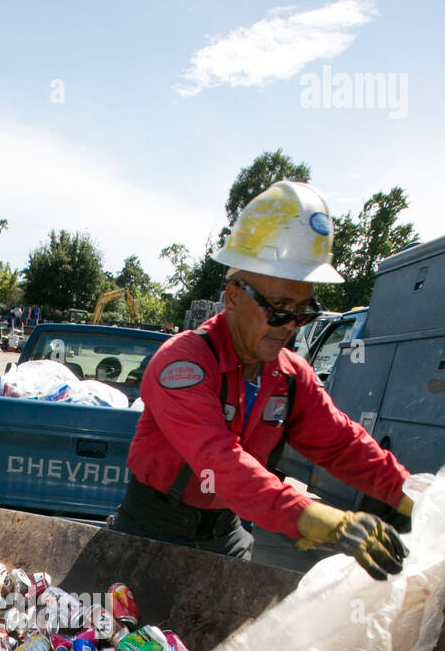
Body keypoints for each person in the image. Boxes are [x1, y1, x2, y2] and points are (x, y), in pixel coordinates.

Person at [110, 182, 412, 580]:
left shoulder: (289, 377)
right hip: (149, 530)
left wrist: (421, 499)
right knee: (129, 637)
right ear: (233, 297)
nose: (290, 326)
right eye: (279, 309)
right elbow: (219, 464)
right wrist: (317, 519)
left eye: (303, 312)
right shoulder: (183, 365)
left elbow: (344, 446)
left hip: (226, 534)